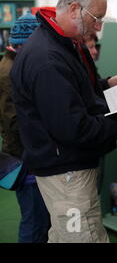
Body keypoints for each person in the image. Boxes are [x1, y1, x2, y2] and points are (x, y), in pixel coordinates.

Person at [10, 0, 117, 243]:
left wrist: (105, 85)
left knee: (66, 234)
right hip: (67, 171)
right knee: (82, 236)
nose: (99, 27)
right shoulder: (48, 58)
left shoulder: (59, 43)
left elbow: (68, 95)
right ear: (75, 9)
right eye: (96, 18)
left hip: (62, 168)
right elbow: (74, 129)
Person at [0, 12, 51, 243]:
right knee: (34, 222)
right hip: (26, 160)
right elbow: (14, 122)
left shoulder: (11, 64)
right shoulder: (12, 72)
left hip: (24, 155)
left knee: (37, 220)